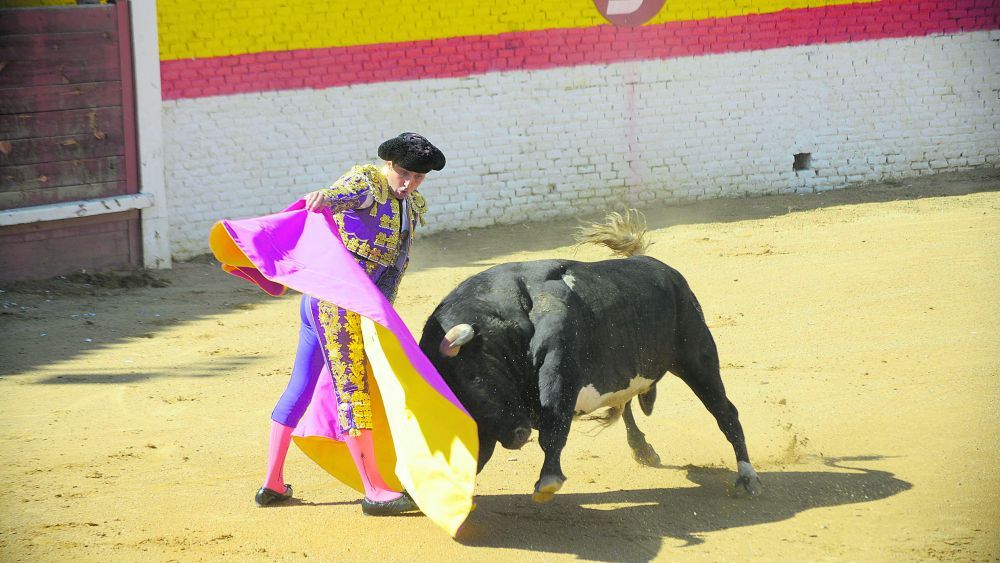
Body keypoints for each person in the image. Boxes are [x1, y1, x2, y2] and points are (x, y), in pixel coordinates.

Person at [254, 132, 446, 516]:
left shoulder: (408, 203)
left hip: (325, 302)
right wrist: (323, 197)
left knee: (302, 386)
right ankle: (374, 490)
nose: (409, 183)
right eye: (404, 174)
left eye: (418, 177)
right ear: (389, 164)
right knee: (353, 391)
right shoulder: (367, 183)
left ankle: (273, 483)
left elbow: (392, 267)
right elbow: (338, 195)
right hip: (338, 307)